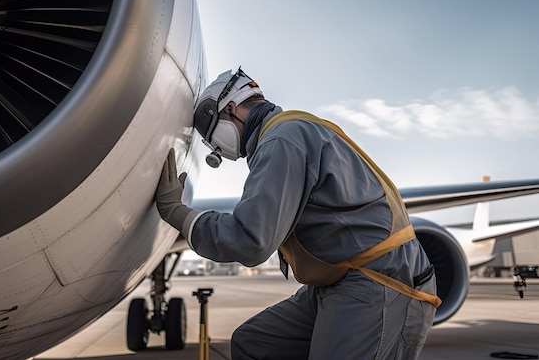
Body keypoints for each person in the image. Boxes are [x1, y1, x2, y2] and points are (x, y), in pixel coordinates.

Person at [155, 67, 441, 360]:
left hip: (378, 280)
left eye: (212, 133)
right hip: (340, 277)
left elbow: (250, 240)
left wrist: (178, 214)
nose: (220, 148)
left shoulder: (282, 140)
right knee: (253, 345)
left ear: (230, 109)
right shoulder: (289, 132)